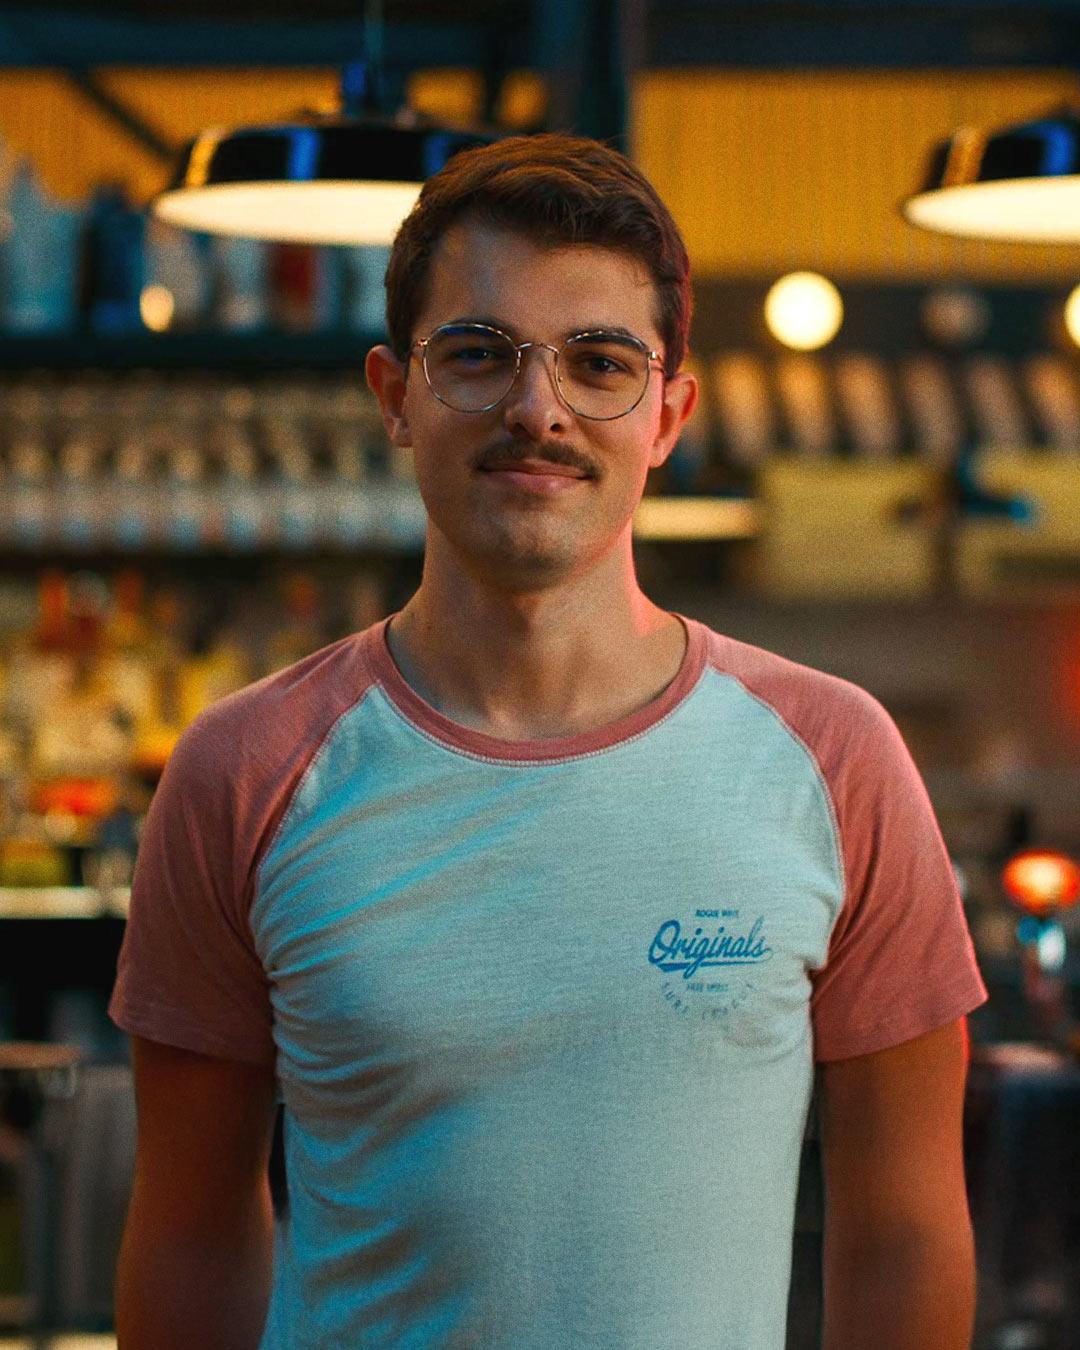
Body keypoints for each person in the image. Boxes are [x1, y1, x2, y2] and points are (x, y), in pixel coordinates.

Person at [110, 132, 988, 1349]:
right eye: (477, 355)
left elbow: (904, 1239)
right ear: (393, 398)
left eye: (599, 362)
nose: (539, 409)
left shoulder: (834, 762)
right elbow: (191, 1238)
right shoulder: (244, 774)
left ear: (670, 412)